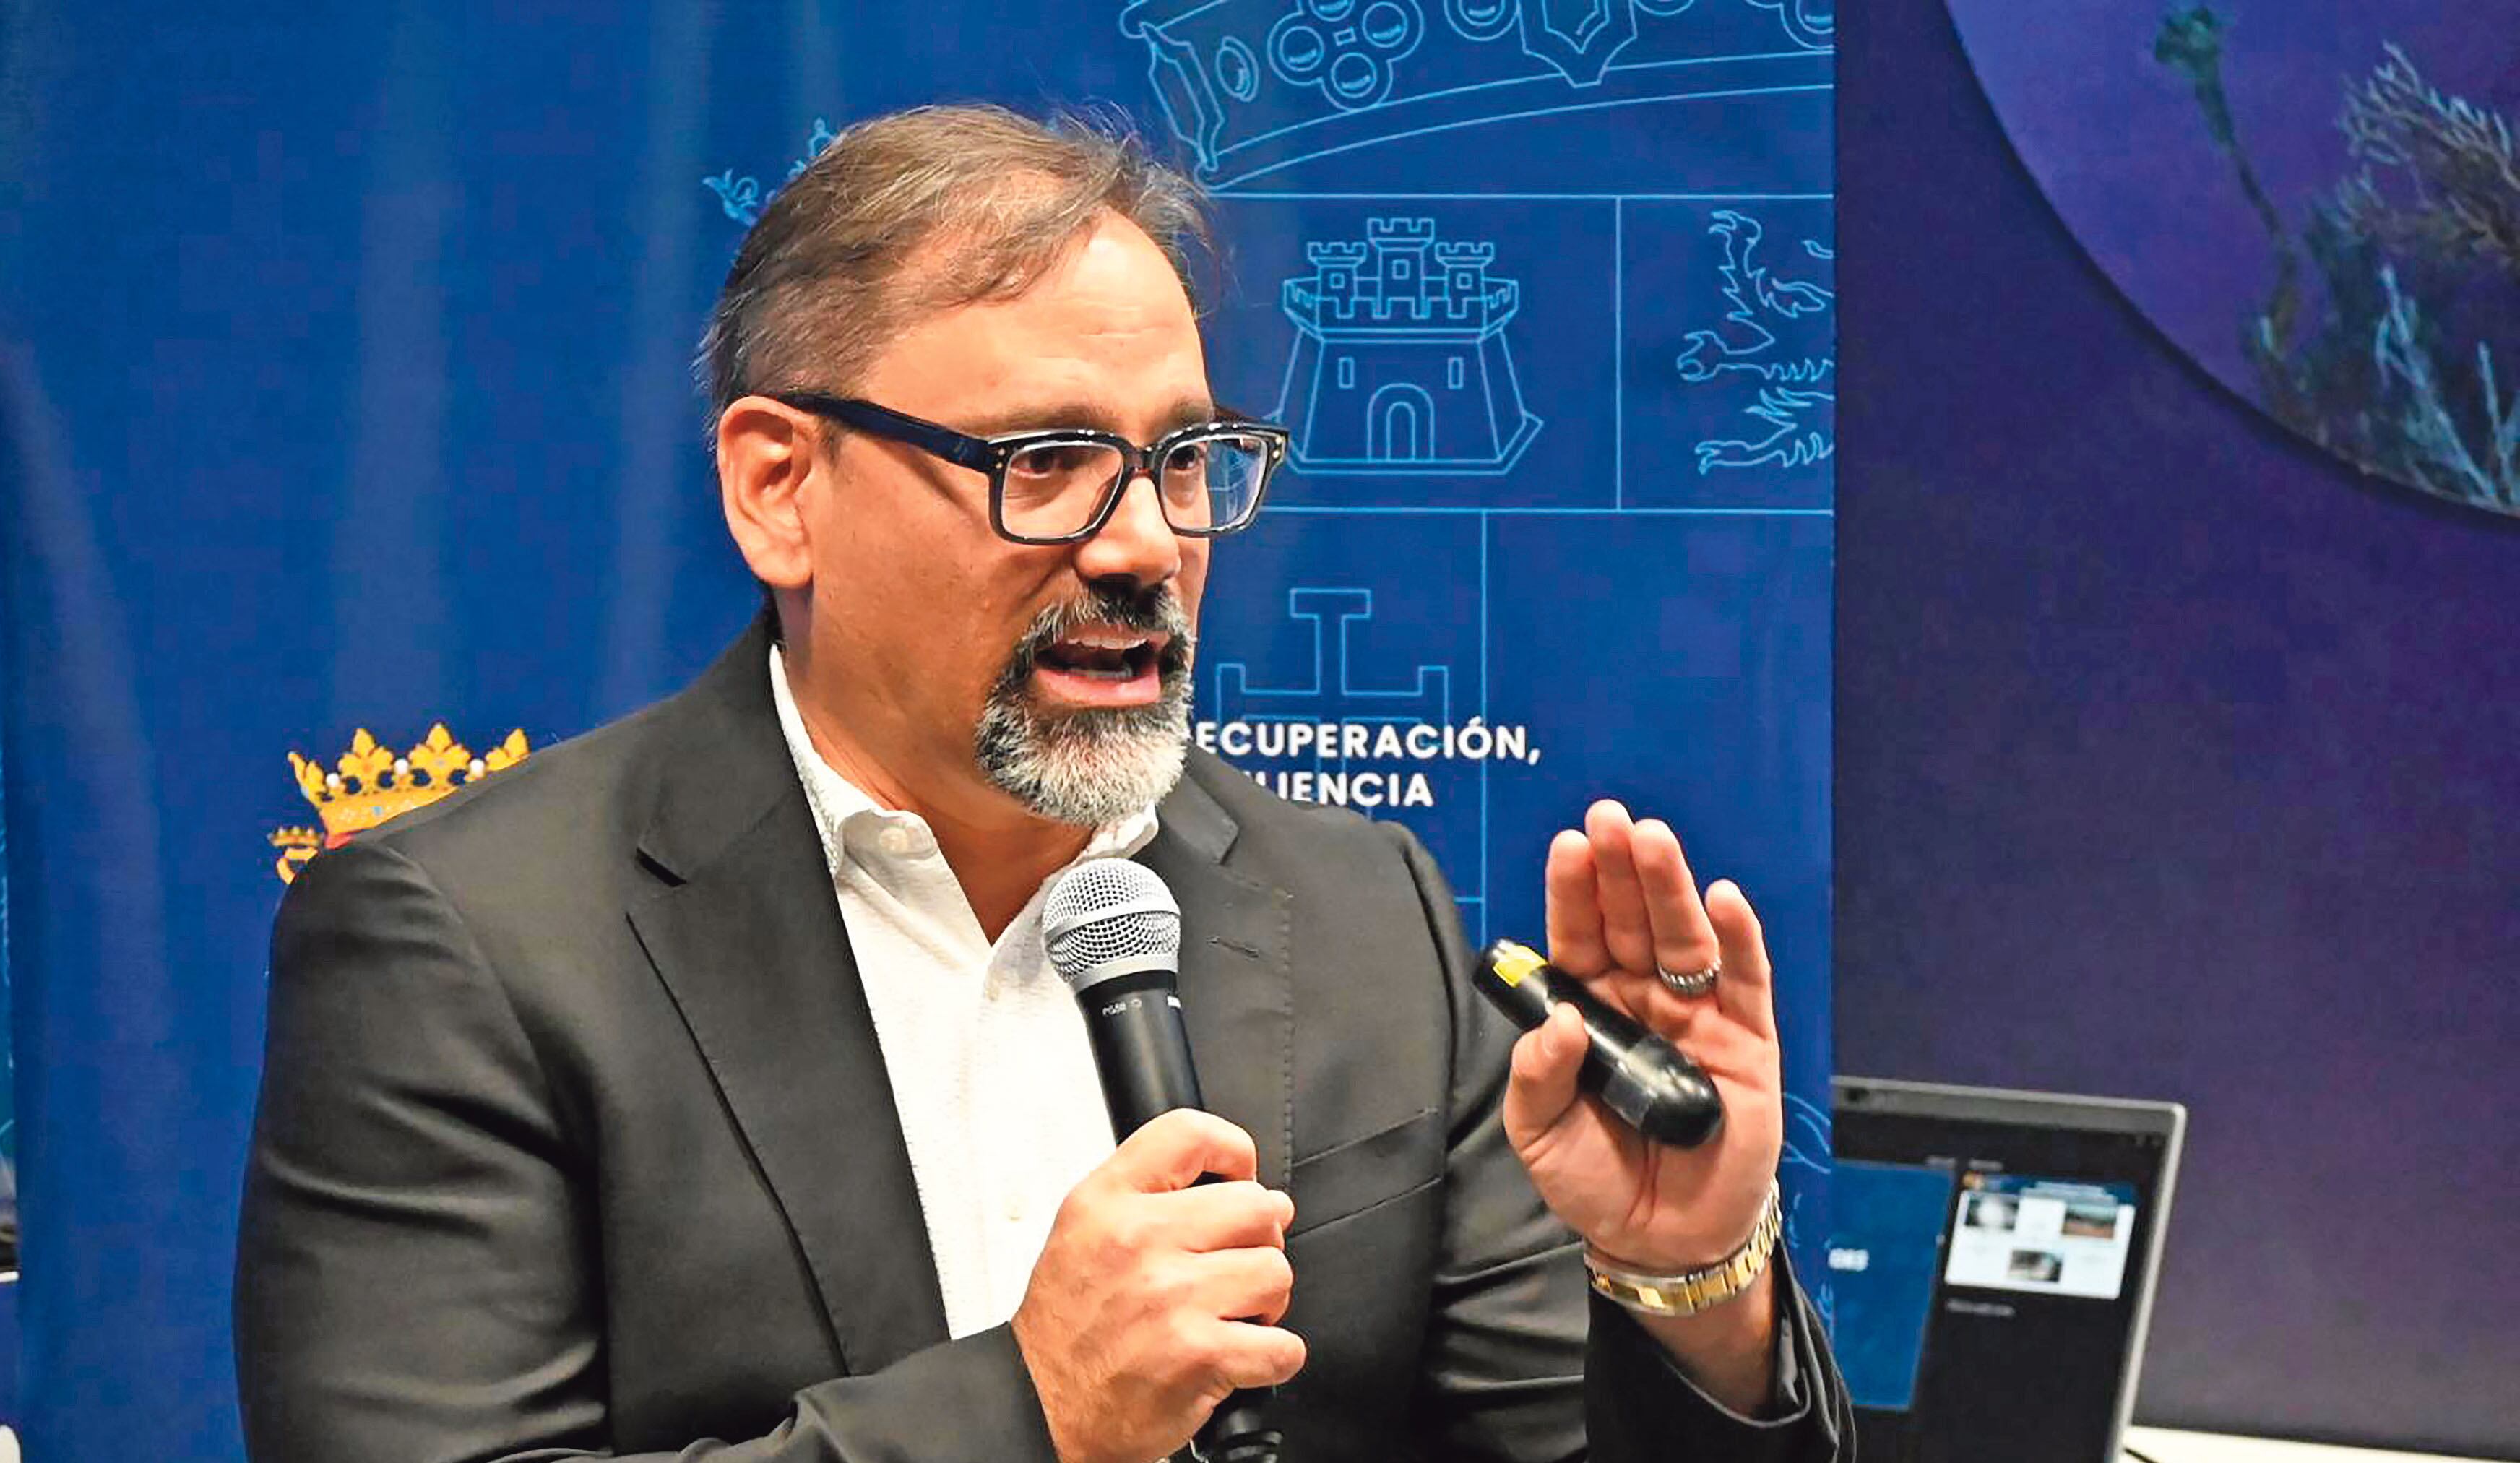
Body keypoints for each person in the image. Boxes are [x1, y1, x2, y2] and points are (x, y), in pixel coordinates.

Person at [234, 104, 1853, 1463]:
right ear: (778, 487)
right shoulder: (471, 944)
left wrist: (1692, 1283)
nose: (1145, 541)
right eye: (1044, 463)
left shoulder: (1371, 914)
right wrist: (1033, 1408)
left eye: (1184, 459)